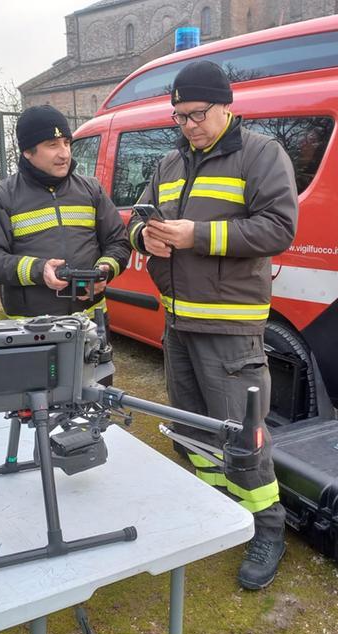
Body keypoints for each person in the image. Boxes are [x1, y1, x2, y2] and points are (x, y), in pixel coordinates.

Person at [127, 60, 298, 590]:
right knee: (194, 428)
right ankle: (216, 509)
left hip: (230, 327)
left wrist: (195, 235)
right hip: (178, 323)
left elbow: (278, 227)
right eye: (179, 116)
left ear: (227, 105)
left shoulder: (262, 155)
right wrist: (143, 239)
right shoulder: (170, 163)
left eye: (197, 114)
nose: (188, 125)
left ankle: (268, 529)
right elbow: (138, 215)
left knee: (243, 435)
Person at [0, 104, 130, 323]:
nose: (64, 153)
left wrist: (105, 270)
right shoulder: (1, 196)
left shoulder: (91, 189)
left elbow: (118, 241)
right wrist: (38, 270)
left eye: (67, 143)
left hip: (91, 320)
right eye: (52, 145)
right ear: (27, 151)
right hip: (31, 328)